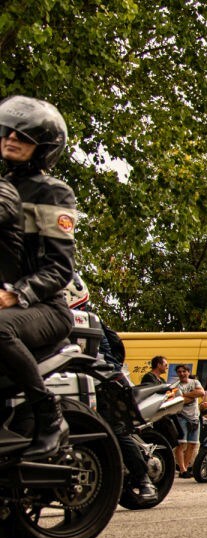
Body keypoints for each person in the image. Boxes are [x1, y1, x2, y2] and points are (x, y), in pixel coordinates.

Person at [0, 96, 77, 459]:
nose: (12, 137)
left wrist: (17, 293)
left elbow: (61, 269)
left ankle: (50, 418)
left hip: (45, 307)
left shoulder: (52, 192)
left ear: (43, 148)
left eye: (24, 136)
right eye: (8, 131)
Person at [173, 364, 203, 478]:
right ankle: (182, 469)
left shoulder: (195, 382)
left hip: (195, 418)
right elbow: (181, 401)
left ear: (188, 372)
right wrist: (193, 395)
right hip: (182, 417)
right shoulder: (176, 385)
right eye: (179, 372)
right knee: (181, 444)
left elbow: (201, 393)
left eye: (184, 371)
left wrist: (185, 395)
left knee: (192, 444)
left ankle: (185, 468)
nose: (182, 374)